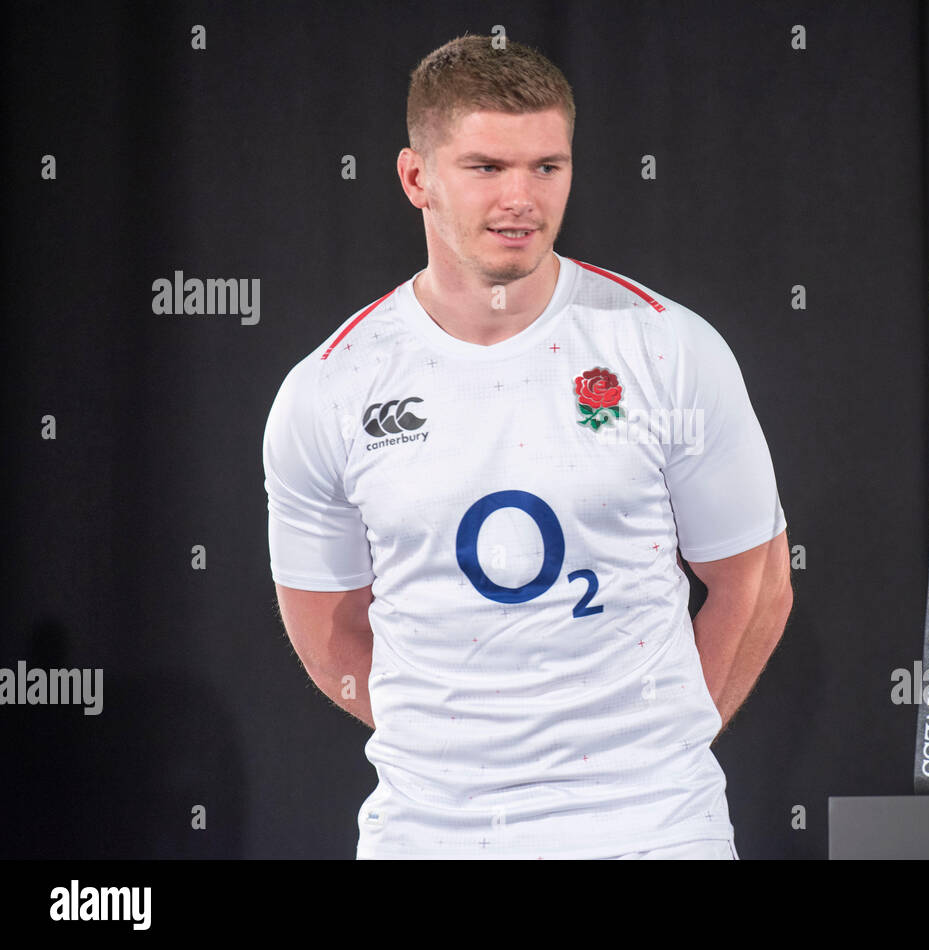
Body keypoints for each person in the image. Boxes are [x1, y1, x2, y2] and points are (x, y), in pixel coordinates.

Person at [262, 35, 791, 859]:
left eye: (548, 167)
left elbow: (756, 585)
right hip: (427, 832)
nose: (522, 198)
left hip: (654, 828)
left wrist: (656, 753)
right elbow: (327, 624)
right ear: (416, 179)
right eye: (486, 168)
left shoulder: (668, 349)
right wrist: (459, 752)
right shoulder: (329, 388)